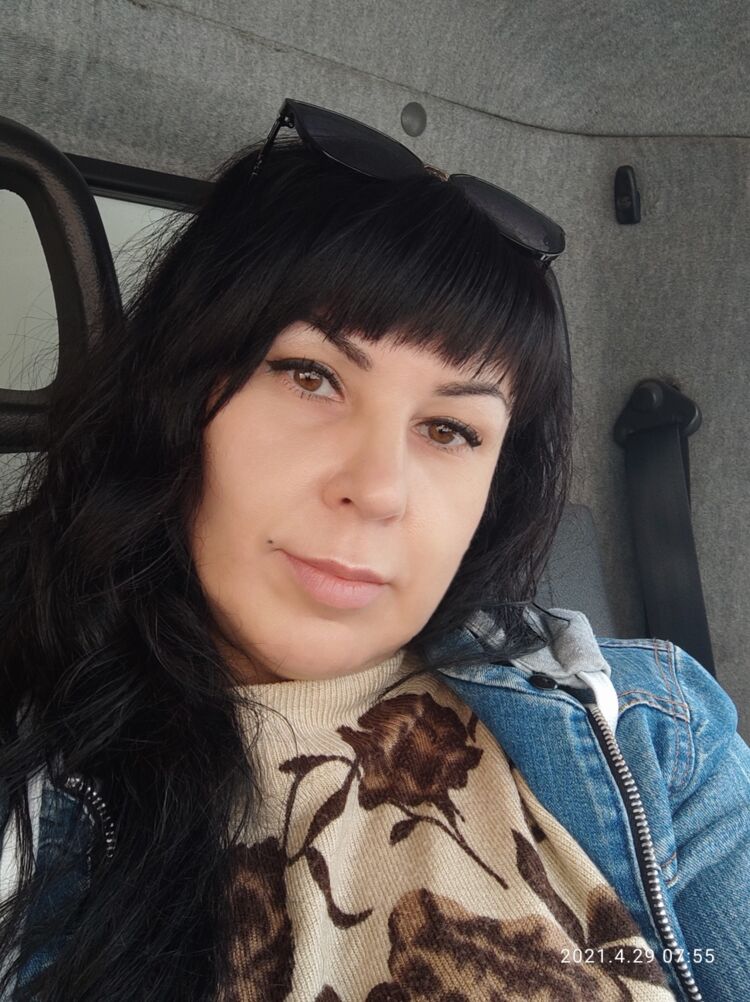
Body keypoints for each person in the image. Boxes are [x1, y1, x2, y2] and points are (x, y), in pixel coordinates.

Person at [0, 98, 748, 1002]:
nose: (380, 489)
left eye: (449, 429)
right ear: (178, 391)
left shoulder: (656, 735)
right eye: (310, 376)